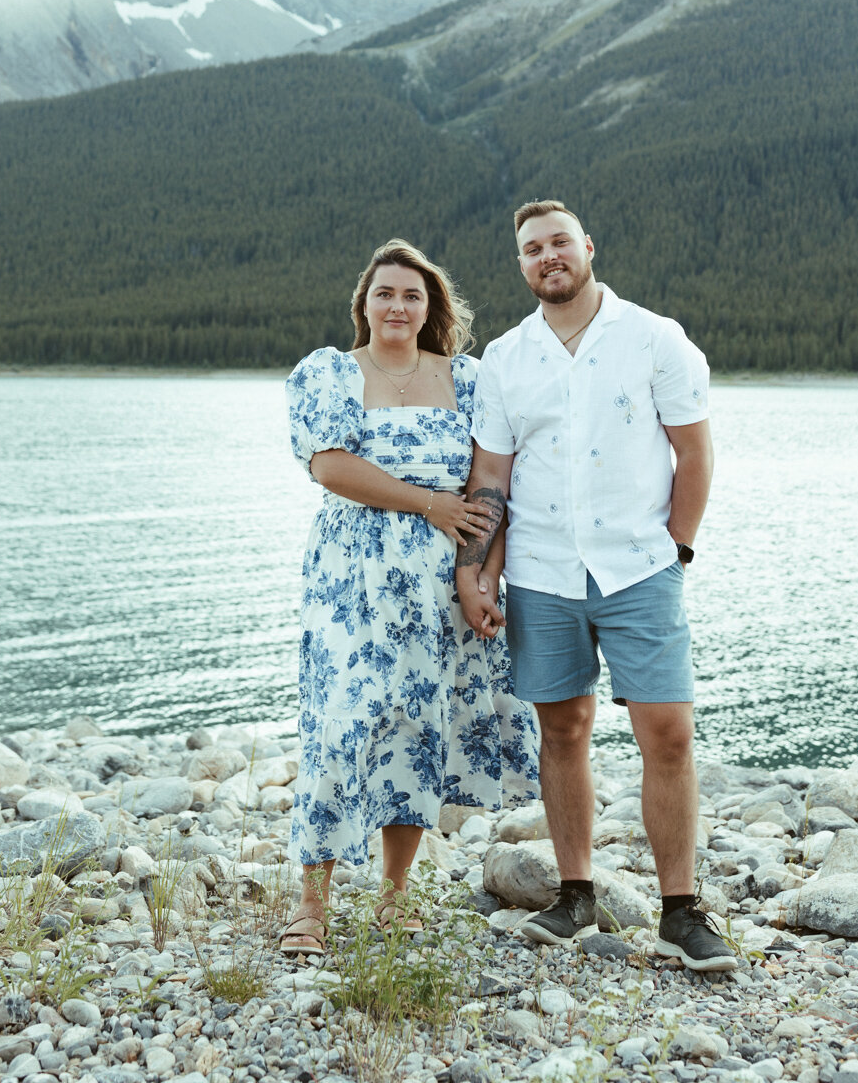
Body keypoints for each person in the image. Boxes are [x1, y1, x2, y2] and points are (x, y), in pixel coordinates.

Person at [455, 200, 736, 972]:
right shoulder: (507, 360)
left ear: (586, 247)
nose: (546, 256)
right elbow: (489, 480)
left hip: (639, 568)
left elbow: (694, 455)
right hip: (542, 574)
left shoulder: (655, 339)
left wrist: (677, 547)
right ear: (520, 265)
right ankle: (573, 895)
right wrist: (478, 569)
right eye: (530, 249)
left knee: (668, 733)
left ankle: (680, 911)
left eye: (557, 243)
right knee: (563, 731)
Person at [281, 237, 538, 956]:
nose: (397, 305)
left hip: (435, 581)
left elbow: (491, 486)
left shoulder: (466, 378)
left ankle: (395, 896)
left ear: (432, 309)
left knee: (419, 727)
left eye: (412, 295)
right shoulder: (330, 373)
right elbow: (330, 467)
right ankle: (311, 899)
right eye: (385, 293)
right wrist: (428, 503)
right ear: (364, 303)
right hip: (350, 576)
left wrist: (480, 575)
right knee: (340, 723)